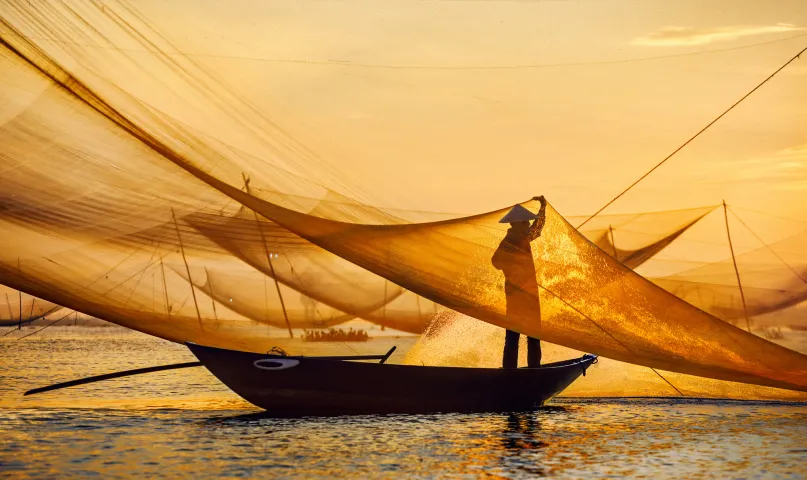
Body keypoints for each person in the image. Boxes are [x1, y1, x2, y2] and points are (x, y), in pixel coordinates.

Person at [491, 196, 547, 368]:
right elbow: (496, 262)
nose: (527, 225)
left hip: (530, 295)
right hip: (516, 296)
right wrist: (513, 264)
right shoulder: (508, 242)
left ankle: (534, 370)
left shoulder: (524, 238)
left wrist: (543, 207)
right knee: (513, 336)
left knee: (533, 336)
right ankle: (509, 371)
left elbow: (537, 229)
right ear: (515, 224)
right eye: (524, 223)